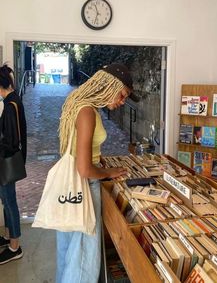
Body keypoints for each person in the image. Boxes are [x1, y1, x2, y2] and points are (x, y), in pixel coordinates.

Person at [56, 63, 139, 283]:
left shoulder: (77, 101)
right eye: (121, 95)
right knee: (83, 257)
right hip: (83, 186)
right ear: (108, 85)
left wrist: (96, 157)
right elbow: (84, 169)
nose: (122, 102)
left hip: (69, 186)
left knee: (68, 252)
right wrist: (108, 171)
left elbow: (75, 147)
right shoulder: (87, 112)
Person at [0, 64, 27, 264]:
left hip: (6, 162)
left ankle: (14, 246)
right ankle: (9, 236)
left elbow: (9, 142)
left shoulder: (9, 106)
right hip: (9, 161)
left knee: (9, 202)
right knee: (8, 201)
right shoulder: (15, 99)